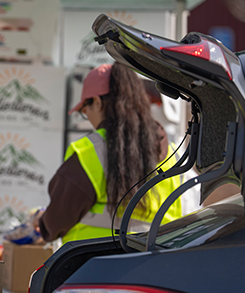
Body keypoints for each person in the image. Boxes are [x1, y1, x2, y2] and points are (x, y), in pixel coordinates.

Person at [34, 63, 182, 244]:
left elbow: (55, 222)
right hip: (155, 264)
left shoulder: (90, 152)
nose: (86, 114)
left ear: (97, 102)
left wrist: (40, 221)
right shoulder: (172, 153)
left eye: (84, 108)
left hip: (93, 266)